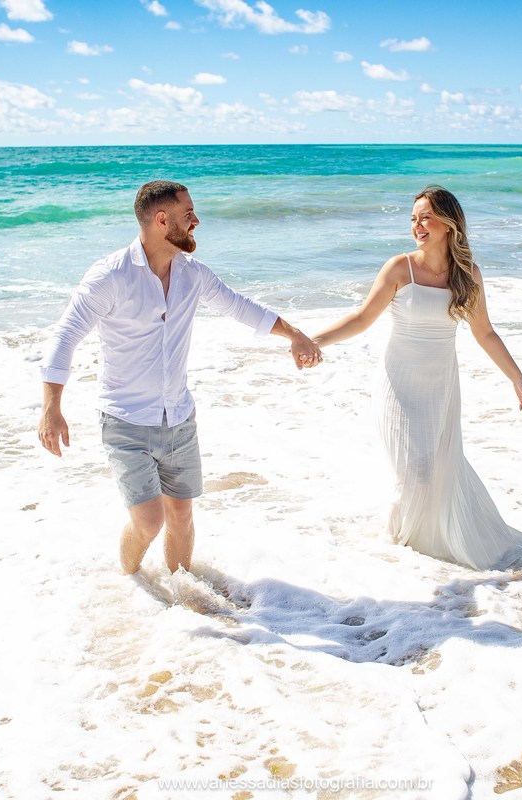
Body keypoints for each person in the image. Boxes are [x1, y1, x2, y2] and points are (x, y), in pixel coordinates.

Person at [38, 180, 322, 575]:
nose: (196, 222)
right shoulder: (111, 276)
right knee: (149, 521)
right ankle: (131, 581)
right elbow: (65, 335)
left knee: (182, 517)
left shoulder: (193, 274)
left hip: (179, 419)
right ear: (161, 220)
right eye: (188, 215)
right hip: (126, 421)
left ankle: (182, 598)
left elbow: (238, 306)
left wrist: (293, 333)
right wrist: (52, 408)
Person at [312, 185, 522, 571]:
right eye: (413, 218)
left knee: (437, 470)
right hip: (398, 384)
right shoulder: (401, 268)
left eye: (426, 217)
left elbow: (485, 333)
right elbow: (363, 318)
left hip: (441, 386)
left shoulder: (467, 275)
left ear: (448, 224)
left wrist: (517, 379)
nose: (418, 225)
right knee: (414, 472)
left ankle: (424, 551)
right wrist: (315, 340)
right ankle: (398, 552)